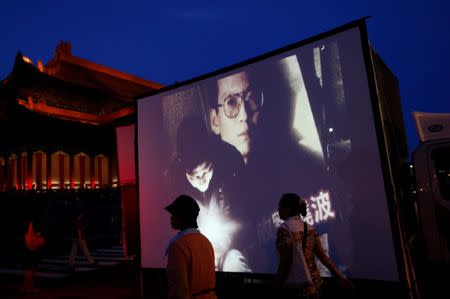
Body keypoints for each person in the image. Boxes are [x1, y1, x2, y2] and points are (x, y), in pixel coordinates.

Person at [274, 193, 352, 298]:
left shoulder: (285, 229)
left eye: (280, 206)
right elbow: (323, 257)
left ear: (288, 209)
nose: (278, 210)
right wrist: (340, 277)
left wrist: (276, 285)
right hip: (316, 286)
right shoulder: (309, 228)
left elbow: (285, 263)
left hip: (297, 288)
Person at [165, 195, 217, 299]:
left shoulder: (178, 246)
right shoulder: (206, 241)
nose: (171, 217)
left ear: (182, 217)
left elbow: (181, 290)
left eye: (174, 214)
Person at [22, 219, 45, 294]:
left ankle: (27, 287)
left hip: (27, 247)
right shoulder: (35, 224)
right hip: (32, 248)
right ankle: (29, 287)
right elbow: (38, 235)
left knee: (29, 269)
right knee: (31, 269)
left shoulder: (28, 223)